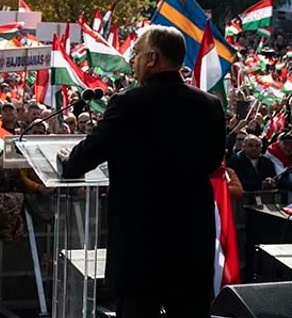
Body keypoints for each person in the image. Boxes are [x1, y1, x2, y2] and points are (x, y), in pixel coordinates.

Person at [59, 26, 225, 317]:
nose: (132, 60)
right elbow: (213, 161)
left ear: (152, 58)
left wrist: (67, 162)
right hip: (191, 237)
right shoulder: (209, 104)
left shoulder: (129, 103)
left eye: (136, 53)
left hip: (141, 242)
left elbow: (91, 152)